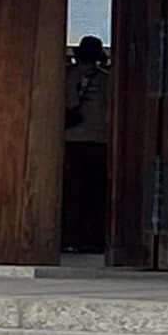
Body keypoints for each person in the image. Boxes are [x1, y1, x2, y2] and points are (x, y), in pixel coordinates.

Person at [62, 36, 109, 254]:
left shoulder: (66, 78)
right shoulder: (107, 81)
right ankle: (94, 238)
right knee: (96, 193)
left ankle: (70, 236)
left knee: (71, 192)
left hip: (71, 141)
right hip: (99, 141)